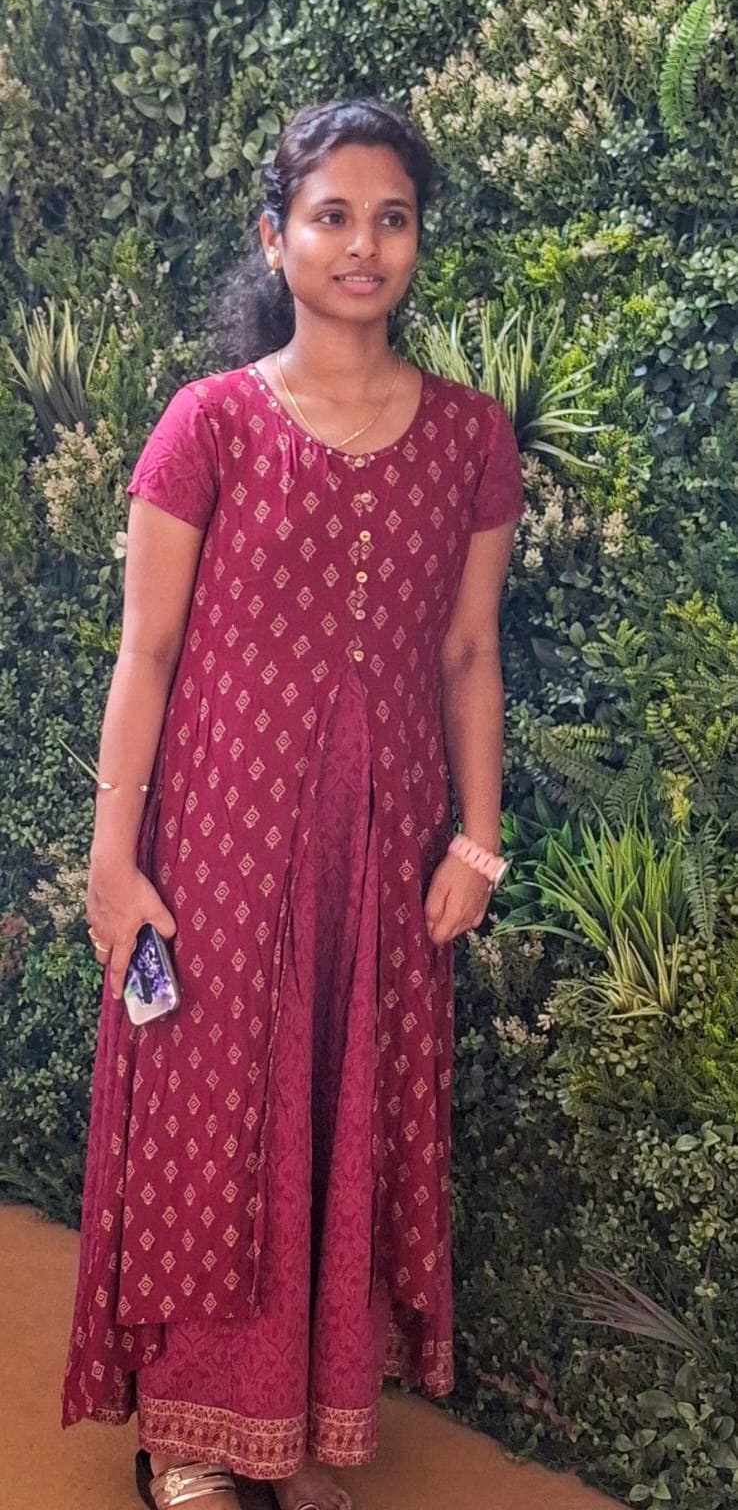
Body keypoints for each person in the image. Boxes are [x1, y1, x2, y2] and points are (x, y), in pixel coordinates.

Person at [61, 98, 524, 1510]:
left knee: (346, 1117)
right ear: (276, 239)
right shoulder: (208, 425)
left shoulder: (470, 437)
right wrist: (113, 859)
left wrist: (477, 841)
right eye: (332, 217)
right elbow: (145, 653)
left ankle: (311, 1425)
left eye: (392, 219)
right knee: (211, 1126)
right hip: (218, 848)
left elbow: (467, 653)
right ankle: (194, 1440)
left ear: (417, 242)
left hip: (383, 856)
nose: (363, 245)